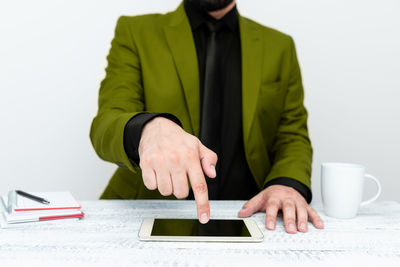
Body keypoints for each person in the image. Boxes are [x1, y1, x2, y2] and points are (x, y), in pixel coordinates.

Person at [90, 0, 324, 234]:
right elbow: (107, 121)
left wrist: (286, 183)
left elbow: (292, 136)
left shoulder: (280, 47)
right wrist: (146, 129)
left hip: (250, 219)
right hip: (147, 216)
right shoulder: (136, 31)